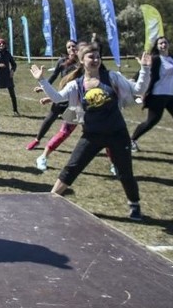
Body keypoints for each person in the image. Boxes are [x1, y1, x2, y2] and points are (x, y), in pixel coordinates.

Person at [31, 43, 152, 220]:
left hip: (117, 134)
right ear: (81, 60)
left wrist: (145, 69)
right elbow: (57, 98)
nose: (95, 60)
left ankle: (134, 205)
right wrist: (42, 80)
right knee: (72, 167)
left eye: (97, 56)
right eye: (91, 57)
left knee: (125, 172)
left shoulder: (112, 77)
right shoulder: (76, 84)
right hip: (91, 135)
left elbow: (138, 90)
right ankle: (52, 198)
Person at [26, 40, 79, 150]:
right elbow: (54, 75)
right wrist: (43, 87)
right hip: (61, 97)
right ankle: (37, 140)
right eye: (68, 47)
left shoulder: (82, 64)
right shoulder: (62, 61)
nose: (71, 49)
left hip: (75, 101)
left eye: (73, 46)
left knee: (69, 129)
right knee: (49, 119)